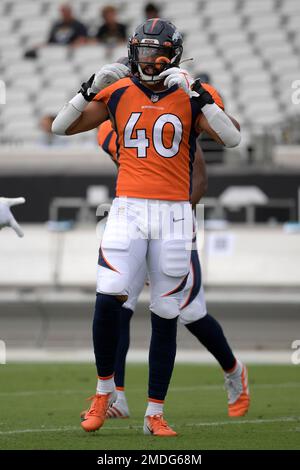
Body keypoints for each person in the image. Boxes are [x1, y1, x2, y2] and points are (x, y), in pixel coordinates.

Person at [52, 18, 242, 436]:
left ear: (172, 55)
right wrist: (87, 87)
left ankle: (154, 412)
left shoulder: (195, 94)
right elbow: (60, 127)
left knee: (167, 314)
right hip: (129, 209)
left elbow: (232, 139)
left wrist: (194, 92)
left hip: (174, 213)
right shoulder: (119, 90)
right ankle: (106, 391)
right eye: (140, 52)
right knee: (108, 299)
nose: (147, 62)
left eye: (155, 54)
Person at [97, 98, 249, 421]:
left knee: (190, 313)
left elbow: (201, 180)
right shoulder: (110, 126)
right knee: (118, 304)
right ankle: (118, 395)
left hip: (172, 226)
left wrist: (168, 224)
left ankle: (234, 370)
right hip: (134, 225)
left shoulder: (174, 121)